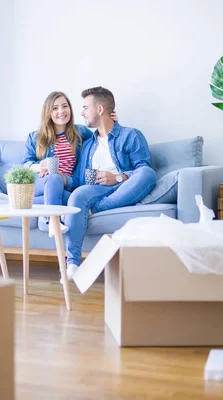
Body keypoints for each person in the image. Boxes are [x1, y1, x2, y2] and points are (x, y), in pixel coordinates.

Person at [62, 86, 157, 280]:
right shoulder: (88, 145)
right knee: (78, 194)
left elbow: (143, 169)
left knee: (148, 174)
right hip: (95, 190)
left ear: (100, 109)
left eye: (85, 108)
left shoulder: (131, 136)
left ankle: (95, 209)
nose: (81, 113)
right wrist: (59, 178)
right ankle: (72, 264)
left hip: (124, 186)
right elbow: (80, 181)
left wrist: (118, 177)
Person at [0, 91, 115, 236]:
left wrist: (112, 123)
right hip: (42, 181)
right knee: (54, 178)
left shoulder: (80, 132)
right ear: (48, 112)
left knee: (71, 198)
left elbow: (101, 139)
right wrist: (40, 166)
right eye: (55, 108)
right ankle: (52, 221)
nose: (61, 111)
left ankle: (18, 200)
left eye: (65, 106)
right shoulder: (36, 136)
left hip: (69, 182)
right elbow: (26, 163)